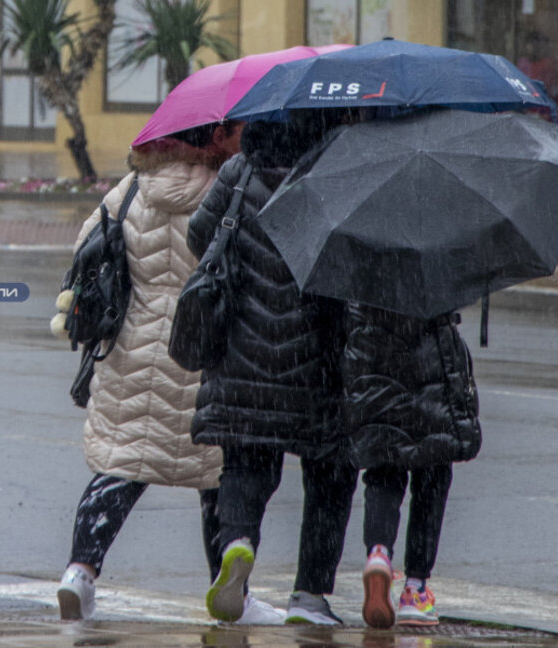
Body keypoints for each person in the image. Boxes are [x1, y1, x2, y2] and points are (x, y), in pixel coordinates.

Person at [51, 120, 284, 624]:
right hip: (207, 348)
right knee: (220, 477)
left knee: (121, 468)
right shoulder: (233, 185)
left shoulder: (133, 187)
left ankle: (79, 573)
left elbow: (88, 248)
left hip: (134, 350)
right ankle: (231, 592)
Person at [179, 113, 359, 626]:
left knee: (245, 464)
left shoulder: (238, 172)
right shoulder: (332, 174)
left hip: (242, 352)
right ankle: (309, 596)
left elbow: (199, 237)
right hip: (316, 360)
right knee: (330, 471)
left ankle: (238, 542)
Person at [344, 303, 482, 628]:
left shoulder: (363, 254)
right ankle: (415, 589)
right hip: (432, 365)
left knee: (383, 471)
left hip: (376, 364)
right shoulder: (440, 254)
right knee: (432, 476)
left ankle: (379, 552)